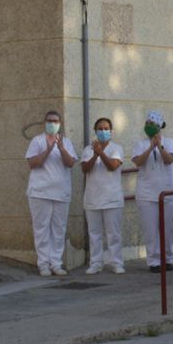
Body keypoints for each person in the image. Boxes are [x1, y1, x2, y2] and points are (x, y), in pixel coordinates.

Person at [26, 108, 77, 276]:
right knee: (41, 229)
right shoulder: (37, 141)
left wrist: (60, 148)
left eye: (55, 121)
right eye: (49, 121)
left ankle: (56, 263)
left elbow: (70, 163)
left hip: (61, 193)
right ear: (44, 123)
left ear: (60, 124)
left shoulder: (67, 142)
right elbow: (32, 163)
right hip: (40, 193)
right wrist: (48, 149)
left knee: (58, 229)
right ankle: (43, 264)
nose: (52, 124)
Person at [132, 110, 173, 273]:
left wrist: (159, 146)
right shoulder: (140, 144)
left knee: (167, 228)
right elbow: (138, 162)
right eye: (147, 123)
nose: (148, 126)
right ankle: (153, 261)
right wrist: (150, 148)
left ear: (159, 126)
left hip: (167, 192)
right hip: (146, 194)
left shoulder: (170, 142)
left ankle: (168, 258)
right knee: (150, 230)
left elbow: (169, 160)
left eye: (152, 124)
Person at [81, 117, 125, 275]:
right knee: (95, 234)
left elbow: (113, 166)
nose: (103, 131)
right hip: (92, 198)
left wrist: (101, 153)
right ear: (95, 131)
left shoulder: (117, 148)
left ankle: (116, 263)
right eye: (100, 128)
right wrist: (95, 154)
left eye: (106, 128)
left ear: (111, 131)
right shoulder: (88, 149)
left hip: (112, 198)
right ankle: (96, 263)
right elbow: (85, 169)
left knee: (114, 234)